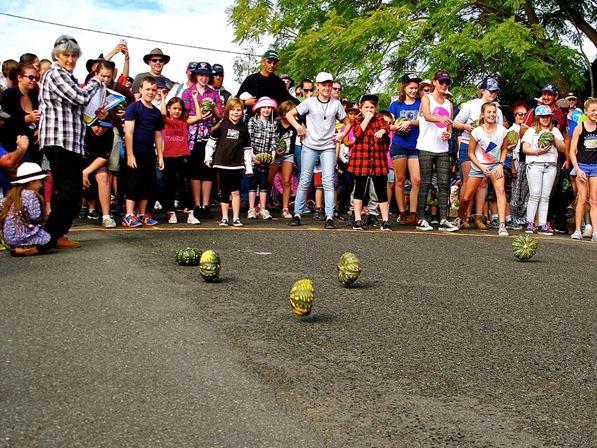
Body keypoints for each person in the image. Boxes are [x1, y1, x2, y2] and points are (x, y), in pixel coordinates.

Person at [39, 35, 106, 248]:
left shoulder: (67, 77)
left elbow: (80, 107)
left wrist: (97, 114)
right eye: (66, 55)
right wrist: (96, 81)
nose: (70, 59)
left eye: (74, 55)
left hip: (71, 141)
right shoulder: (55, 73)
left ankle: (58, 234)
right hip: (58, 140)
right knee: (68, 189)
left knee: (74, 191)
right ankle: (46, 238)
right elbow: (79, 97)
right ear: (56, 55)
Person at [285, 71, 350, 229]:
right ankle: (298, 214)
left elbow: (347, 122)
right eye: (324, 85)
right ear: (318, 86)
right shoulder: (310, 102)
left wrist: (341, 135)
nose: (327, 88)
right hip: (309, 145)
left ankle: (329, 216)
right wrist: (299, 127)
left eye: (330, 85)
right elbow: (289, 115)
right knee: (305, 180)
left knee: (328, 181)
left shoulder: (336, 104)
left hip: (328, 146)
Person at [453, 77, 504, 230]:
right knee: (469, 182)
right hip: (468, 144)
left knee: (483, 183)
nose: (493, 94)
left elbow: (499, 133)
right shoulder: (470, 105)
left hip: (488, 150)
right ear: (482, 90)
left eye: (495, 92)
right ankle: (463, 216)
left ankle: (478, 216)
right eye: (490, 91)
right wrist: (467, 127)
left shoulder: (498, 110)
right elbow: (455, 123)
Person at [457, 102, 510, 236]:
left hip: (495, 166)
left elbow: (504, 149)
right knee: (466, 197)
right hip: (478, 166)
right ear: (482, 114)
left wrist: (500, 164)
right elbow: (470, 153)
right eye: (489, 112)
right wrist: (480, 167)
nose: (492, 115)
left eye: (494, 112)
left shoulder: (503, 131)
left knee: (501, 190)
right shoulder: (477, 131)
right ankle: (460, 217)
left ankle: (502, 225)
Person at [415, 71, 458, 232]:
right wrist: (440, 119)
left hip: (442, 148)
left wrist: (449, 133)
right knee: (425, 182)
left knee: (444, 183)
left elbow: (450, 126)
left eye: (447, 82)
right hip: (426, 146)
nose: (444, 85)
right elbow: (426, 115)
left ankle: (443, 219)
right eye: (441, 82)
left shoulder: (448, 103)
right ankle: (421, 218)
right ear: (434, 82)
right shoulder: (427, 98)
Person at [181, 62, 223, 220]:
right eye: (201, 75)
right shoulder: (187, 92)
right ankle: (196, 204)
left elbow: (220, 115)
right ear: (195, 75)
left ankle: (205, 205)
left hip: (209, 135)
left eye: (206, 75)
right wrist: (198, 117)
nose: (204, 78)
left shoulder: (213, 94)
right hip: (193, 136)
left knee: (208, 172)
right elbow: (183, 117)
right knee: (194, 172)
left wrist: (212, 108)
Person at [122, 76, 165, 227]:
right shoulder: (134, 108)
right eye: (147, 89)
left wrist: (160, 156)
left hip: (149, 152)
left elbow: (158, 135)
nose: (151, 92)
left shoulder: (156, 113)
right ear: (140, 90)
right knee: (134, 182)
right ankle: (128, 214)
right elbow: (129, 133)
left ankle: (141, 213)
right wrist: (130, 155)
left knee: (147, 183)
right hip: (135, 152)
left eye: (154, 90)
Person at [204, 98, 252, 227]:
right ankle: (224, 218)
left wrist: (249, 168)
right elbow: (211, 142)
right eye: (233, 110)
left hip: (236, 165)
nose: (235, 112)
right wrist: (208, 157)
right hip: (221, 163)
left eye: (238, 110)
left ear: (242, 112)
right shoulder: (222, 125)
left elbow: (247, 149)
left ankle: (236, 218)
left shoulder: (243, 128)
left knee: (236, 192)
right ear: (228, 111)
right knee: (224, 191)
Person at [347, 94, 392, 232]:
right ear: (360, 108)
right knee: (359, 189)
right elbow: (358, 133)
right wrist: (366, 118)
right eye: (366, 107)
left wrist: (382, 131)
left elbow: (387, 127)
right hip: (361, 161)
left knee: (381, 191)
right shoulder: (356, 120)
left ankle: (385, 221)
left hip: (378, 161)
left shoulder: (379, 119)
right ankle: (358, 220)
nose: (369, 109)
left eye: (372, 107)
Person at [521, 105, 566, 235]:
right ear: (538, 118)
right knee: (535, 193)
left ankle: (542, 223)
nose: (545, 119)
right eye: (543, 116)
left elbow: (563, 148)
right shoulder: (531, 131)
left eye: (548, 116)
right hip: (535, 164)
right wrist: (537, 151)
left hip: (550, 165)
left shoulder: (555, 131)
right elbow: (525, 148)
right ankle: (530, 222)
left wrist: (552, 136)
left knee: (545, 196)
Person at [388, 73, 421, 226]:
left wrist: (411, 123)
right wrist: (399, 126)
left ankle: (413, 213)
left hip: (416, 145)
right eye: (411, 87)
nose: (414, 90)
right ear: (404, 87)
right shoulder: (395, 104)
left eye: (416, 87)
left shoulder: (421, 103)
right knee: (399, 180)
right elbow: (388, 124)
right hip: (399, 144)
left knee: (416, 180)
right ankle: (402, 213)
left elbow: (424, 120)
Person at [0, 162, 51, 256]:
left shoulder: (12, 194)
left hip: (9, 237)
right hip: (24, 235)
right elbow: (35, 217)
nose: (41, 185)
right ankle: (28, 250)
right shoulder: (30, 194)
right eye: (40, 181)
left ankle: (17, 249)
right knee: (50, 240)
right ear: (31, 182)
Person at [160, 97, 197, 225]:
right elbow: (163, 113)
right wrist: (163, 97)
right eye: (174, 108)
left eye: (179, 109)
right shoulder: (165, 121)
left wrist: (196, 98)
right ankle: (171, 212)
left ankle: (190, 212)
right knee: (170, 185)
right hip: (168, 156)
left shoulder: (184, 122)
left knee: (185, 185)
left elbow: (198, 116)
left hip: (183, 156)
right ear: (169, 108)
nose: (177, 111)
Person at [0, 63, 40, 163]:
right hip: (15, 147)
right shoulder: (9, 94)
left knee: (42, 172)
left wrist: (40, 129)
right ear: (19, 77)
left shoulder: (34, 95)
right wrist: (26, 118)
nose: (34, 80)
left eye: (36, 77)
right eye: (30, 77)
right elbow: (4, 115)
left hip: (34, 146)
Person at [569, 98, 597, 241]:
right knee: (582, 198)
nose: (595, 112)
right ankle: (577, 230)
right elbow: (572, 151)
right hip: (582, 165)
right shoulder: (580, 127)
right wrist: (577, 169)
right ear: (586, 112)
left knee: (594, 200)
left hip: (595, 167)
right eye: (592, 110)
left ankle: (595, 232)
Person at [247, 96, 277, 220]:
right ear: (258, 109)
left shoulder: (272, 124)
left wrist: (273, 154)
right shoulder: (252, 121)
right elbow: (250, 139)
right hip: (254, 156)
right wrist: (252, 155)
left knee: (264, 184)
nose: (266, 110)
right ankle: (252, 209)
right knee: (253, 183)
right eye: (264, 107)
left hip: (266, 157)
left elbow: (273, 141)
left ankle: (263, 208)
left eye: (269, 107)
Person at [82, 122, 116, 228]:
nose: (101, 130)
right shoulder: (83, 129)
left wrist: (86, 172)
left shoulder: (110, 133)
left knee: (103, 176)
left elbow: (104, 157)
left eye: (104, 128)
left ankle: (106, 216)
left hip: (97, 161)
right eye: (98, 126)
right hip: (79, 159)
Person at [274, 100, 298, 218]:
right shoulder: (275, 124)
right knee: (268, 180)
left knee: (287, 181)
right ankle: (263, 204)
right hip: (274, 154)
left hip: (289, 154)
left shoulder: (295, 124)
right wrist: (274, 152)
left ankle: (285, 208)